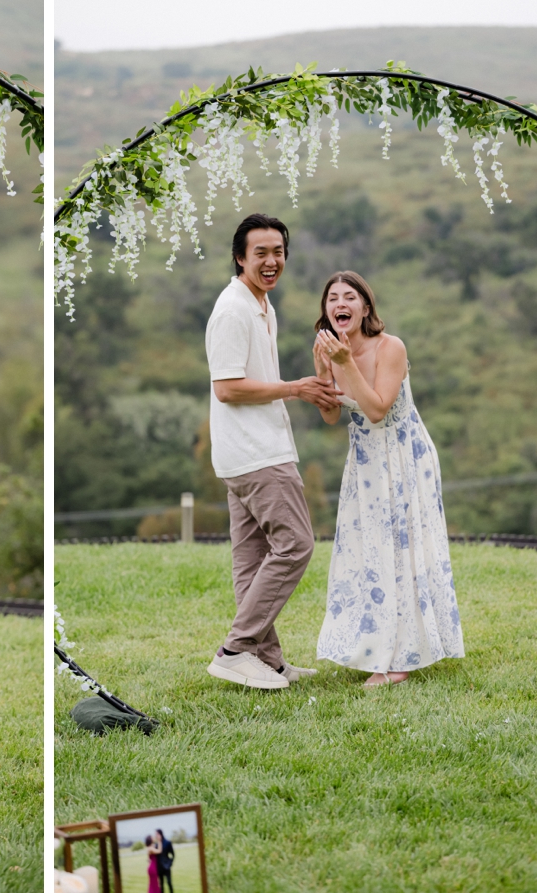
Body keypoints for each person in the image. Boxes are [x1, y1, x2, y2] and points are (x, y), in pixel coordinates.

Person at [205, 213, 342, 690]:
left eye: (278, 251)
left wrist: (314, 380)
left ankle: (268, 661)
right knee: (296, 545)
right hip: (257, 453)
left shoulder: (262, 306)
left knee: (252, 561)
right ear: (240, 257)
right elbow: (226, 388)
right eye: (260, 252)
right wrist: (294, 389)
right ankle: (235, 649)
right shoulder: (233, 310)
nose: (271, 261)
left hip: (244, 453)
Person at [312, 271, 464, 686]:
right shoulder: (331, 351)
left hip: (402, 457)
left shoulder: (390, 347)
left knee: (402, 552)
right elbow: (329, 416)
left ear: (365, 308)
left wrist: (344, 365)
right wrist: (324, 373)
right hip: (363, 464)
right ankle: (372, 648)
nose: (339, 303)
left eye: (349, 297)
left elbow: (377, 409)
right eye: (332, 298)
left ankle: (401, 659)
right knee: (366, 554)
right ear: (327, 310)